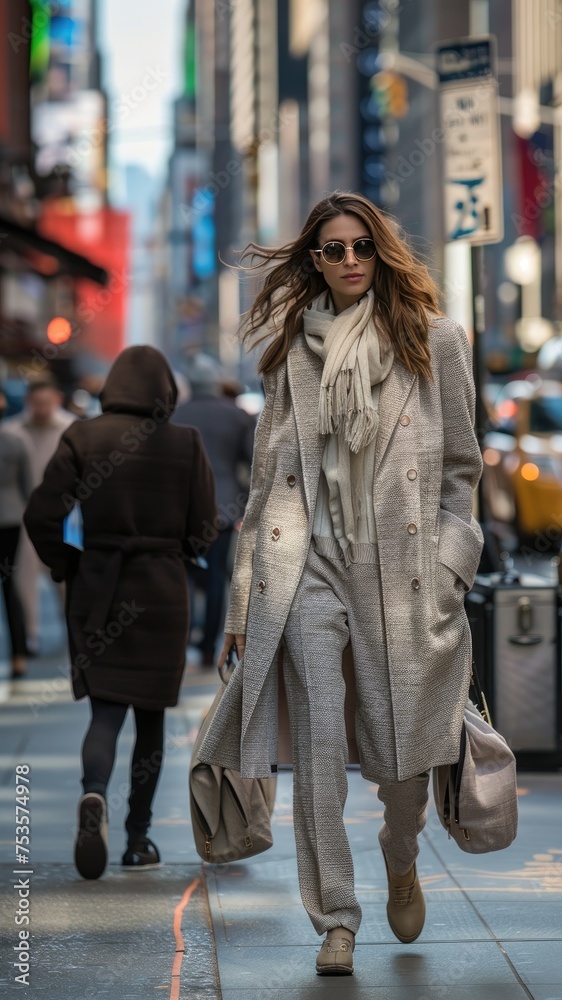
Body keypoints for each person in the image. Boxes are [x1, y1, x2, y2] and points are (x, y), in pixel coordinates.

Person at [197, 192, 483, 976]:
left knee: (400, 760)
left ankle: (400, 853)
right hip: (307, 572)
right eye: (333, 249)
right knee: (320, 748)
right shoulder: (295, 347)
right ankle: (336, 919)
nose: (350, 260)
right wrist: (243, 602)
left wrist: (452, 567)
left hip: (406, 577)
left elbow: (462, 469)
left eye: (360, 246)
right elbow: (266, 485)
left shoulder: (434, 339)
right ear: (314, 259)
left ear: (380, 249)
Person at [23, 347, 217, 880]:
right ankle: (137, 839)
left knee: (105, 713)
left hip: (98, 587)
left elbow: (42, 513)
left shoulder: (83, 436)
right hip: (160, 592)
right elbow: (203, 528)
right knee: (151, 722)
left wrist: (70, 565)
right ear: (166, 391)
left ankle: (92, 794)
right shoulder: (184, 442)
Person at [173, 356, 254, 665]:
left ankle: (183, 638)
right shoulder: (237, 416)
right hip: (223, 507)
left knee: (184, 577)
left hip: (183, 507)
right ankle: (209, 646)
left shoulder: (175, 415)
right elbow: (255, 464)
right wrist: (245, 499)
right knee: (217, 576)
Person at [5, 378, 75, 654]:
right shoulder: (12, 432)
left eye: (47, 403)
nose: (42, 409)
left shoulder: (72, 428)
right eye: (37, 404)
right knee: (24, 576)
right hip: (24, 515)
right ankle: (29, 633)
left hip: (63, 515)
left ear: (57, 399)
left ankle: (72, 629)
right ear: (28, 402)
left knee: (66, 577)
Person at [0, 390, 32, 678]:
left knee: (11, 588)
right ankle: (18, 652)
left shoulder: (13, 441)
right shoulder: (14, 441)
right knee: (10, 587)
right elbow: (27, 486)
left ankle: (20, 651)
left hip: (9, 519)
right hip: (11, 519)